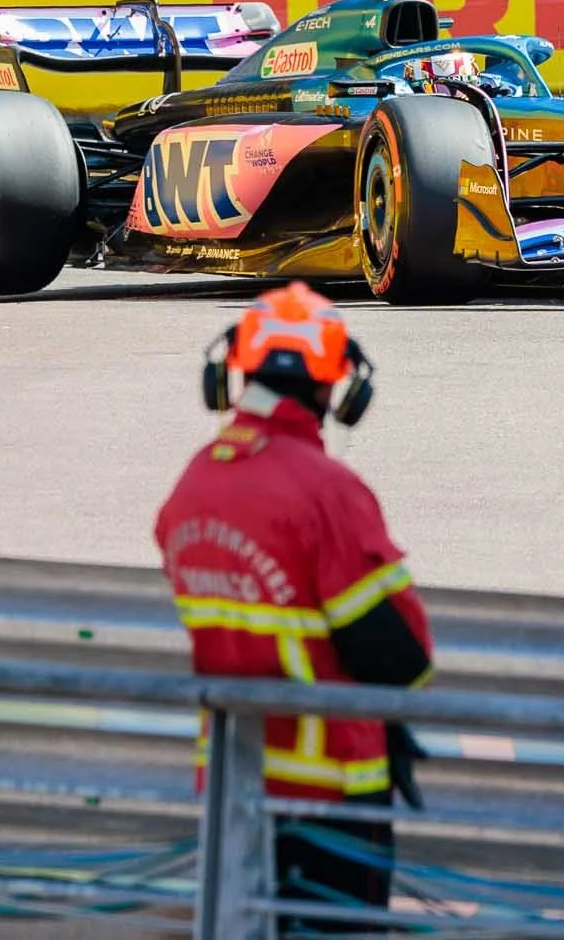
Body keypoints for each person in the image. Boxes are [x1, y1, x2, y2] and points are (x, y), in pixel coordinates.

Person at [155, 284, 432, 932]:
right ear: (338, 387)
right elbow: (403, 656)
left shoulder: (192, 486)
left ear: (233, 372)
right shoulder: (326, 492)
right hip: (331, 788)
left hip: (231, 783)